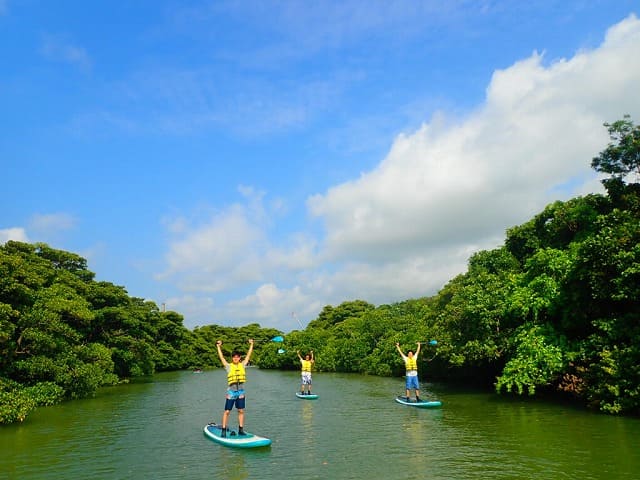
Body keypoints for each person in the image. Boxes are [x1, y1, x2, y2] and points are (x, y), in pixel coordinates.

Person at [216, 339, 254, 437]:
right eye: (234, 357)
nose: (235, 358)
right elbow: (221, 357)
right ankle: (223, 430)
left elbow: (249, 355)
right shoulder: (228, 366)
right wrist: (218, 346)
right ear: (232, 358)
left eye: (237, 357)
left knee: (241, 411)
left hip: (240, 392)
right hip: (232, 393)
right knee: (227, 411)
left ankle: (241, 430)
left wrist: (251, 344)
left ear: (240, 358)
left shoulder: (242, 365)